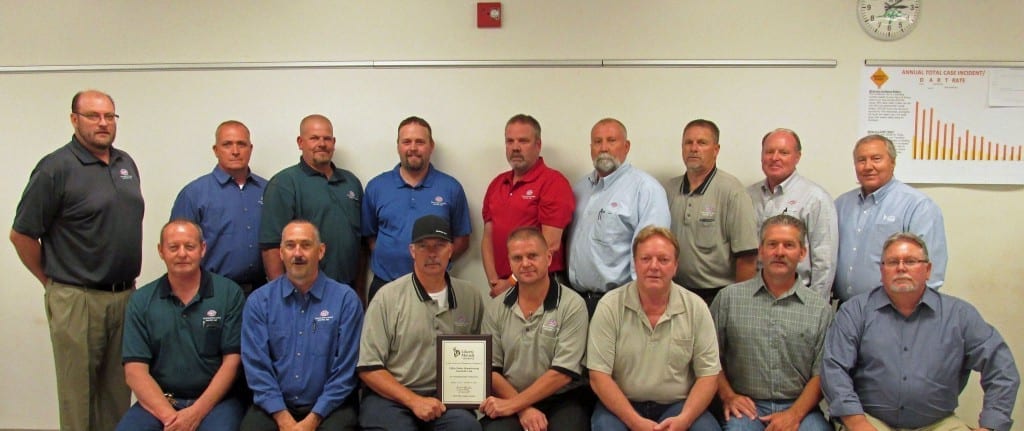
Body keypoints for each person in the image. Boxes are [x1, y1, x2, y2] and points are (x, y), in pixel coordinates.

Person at [10, 89, 143, 430]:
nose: (103, 123)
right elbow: (22, 235)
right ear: (74, 120)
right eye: (93, 116)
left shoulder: (125, 163)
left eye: (109, 116)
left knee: (117, 393)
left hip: (124, 297)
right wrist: (52, 282)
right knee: (78, 398)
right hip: (77, 298)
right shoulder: (56, 168)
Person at [822, 232, 1019, 431]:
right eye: (892, 262)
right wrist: (856, 422)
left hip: (939, 424)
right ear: (882, 271)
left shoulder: (959, 315)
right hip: (869, 421)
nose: (901, 268)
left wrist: (991, 426)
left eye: (910, 261)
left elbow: (1002, 370)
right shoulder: (855, 312)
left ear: (928, 269)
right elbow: (834, 369)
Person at [357, 215, 485, 431]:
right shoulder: (386, 297)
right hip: (390, 397)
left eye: (440, 245)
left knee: (467, 427)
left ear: (451, 249)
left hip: (445, 398)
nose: (432, 253)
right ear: (412, 251)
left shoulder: (469, 296)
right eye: (423, 246)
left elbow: (479, 358)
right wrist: (413, 401)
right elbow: (368, 368)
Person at [588, 226, 721, 431]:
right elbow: (598, 376)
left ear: (676, 266)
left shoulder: (696, 307)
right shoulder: (610, 306)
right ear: (635, 263)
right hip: (622, 405)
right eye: (645, 259)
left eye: (663, 260)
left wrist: (684, 419)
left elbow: (709, 376)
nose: (654, 266)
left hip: (678, 406)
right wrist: (635, 422)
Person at [116, 220, 245, 431]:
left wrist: (195, 413)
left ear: (203, 249)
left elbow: (232, 363)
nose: (182, 254)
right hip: (162, 401)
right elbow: (135, 372)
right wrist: (172, 419)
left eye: (190, 246)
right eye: (173, 247)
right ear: (161, 251)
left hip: (216, 403)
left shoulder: (229, 294)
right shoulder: (141, 301)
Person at [709, 215, 833, 431]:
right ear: (761, 250)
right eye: (772, 244)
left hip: (800, 408)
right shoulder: (729, 299)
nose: (780, 252)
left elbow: (821, 372)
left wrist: (794, 415)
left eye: (789, 245)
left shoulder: (820, 309)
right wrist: (728, 396)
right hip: (746, 407)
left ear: (802, 253)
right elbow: (708, 358)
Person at [241, 220, 364, 431]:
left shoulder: (345, 300)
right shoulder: (259, 302)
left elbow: (346, 370)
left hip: (331, 406)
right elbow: (257, 368)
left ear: (321, 251)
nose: (297, 253)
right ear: (281, 252)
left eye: (306, 245)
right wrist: (283, 419)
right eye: (290, 246)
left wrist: (313, 420)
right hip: (275, 406)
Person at [479, 227, 590, 431]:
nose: (525, 264)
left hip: (562, 399)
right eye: (517, 258)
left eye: (532, 256)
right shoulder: (496, 308)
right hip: (510, 394)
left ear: (548, 258)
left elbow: (563, 372)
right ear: (510, 262)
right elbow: (491, 370)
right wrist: (524, 408)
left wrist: (515, 405)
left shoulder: (572, 305)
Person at [567, 118, 670, 315]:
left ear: (626, 146)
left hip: (620, 305)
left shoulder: (646, 189)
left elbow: (653, 253)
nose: (603, 148)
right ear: (591, 148)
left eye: (611, 140)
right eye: (597, 142)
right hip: (577, 302)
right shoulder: (580, 189)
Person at [362, 116, 472, 301]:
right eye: (407, 142)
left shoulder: (451, 188)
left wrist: (436, 262)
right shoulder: (376, 187)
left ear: (431, 146)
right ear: (398, 146)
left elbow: (462, 238)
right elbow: (370, 237)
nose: (413, 148)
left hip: (434, 285)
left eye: (420, 142)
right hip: (385, 284)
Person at [260, 114, 365, 298]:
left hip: (346, 291)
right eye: (314, 138)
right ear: (300, 142)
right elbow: (271, 246)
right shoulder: (284, 183)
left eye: (327, 138)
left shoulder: (351, 182)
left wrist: (360, 291)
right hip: (303, 292)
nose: (322, 143)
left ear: (333, 142)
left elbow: (360, 242)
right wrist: (280, 296)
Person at [833, 134, 947, 302]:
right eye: (861, 160)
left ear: (892, 162)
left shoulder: (918, 206)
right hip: (846, 310)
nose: (868, 166)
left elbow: (932, 273)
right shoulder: (841, 204)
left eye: (876, 159)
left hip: (895, 312)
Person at [482, 114, 575, 298]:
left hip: (541, 284)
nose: (515, 147)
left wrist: (511, 282)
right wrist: (495, 282)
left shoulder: (553, 182)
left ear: (538, 145)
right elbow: (488, 238)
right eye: (510, 141)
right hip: (503, 287)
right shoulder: (497, 184)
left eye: (523, 141)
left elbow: (551, 243)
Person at [667, 119, 758, 305]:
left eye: (702, 143)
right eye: (688, 142)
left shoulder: (732, 191)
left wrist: (739, 305)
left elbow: (747, 258)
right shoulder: (668, 190)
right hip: (675, 294)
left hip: (717, 297)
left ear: (716, 150)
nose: (694, 148)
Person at [171, 120, 267, 295]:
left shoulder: (268, 190)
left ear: (250, 149)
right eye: (227, 144)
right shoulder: (194, 194)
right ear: (215, 150)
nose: (235, 151)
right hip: (213, 294)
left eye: (241, 144)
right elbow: (178, 249)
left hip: (260, 293)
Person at [746, 128, 837, 299]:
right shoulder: (748, 196)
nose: (775, 158)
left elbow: (824, 261)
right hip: (755, 295)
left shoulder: (815, 198)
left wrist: (815, 306)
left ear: (797, 157)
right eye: (769, 152)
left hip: (798, 297)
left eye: (784, 152)